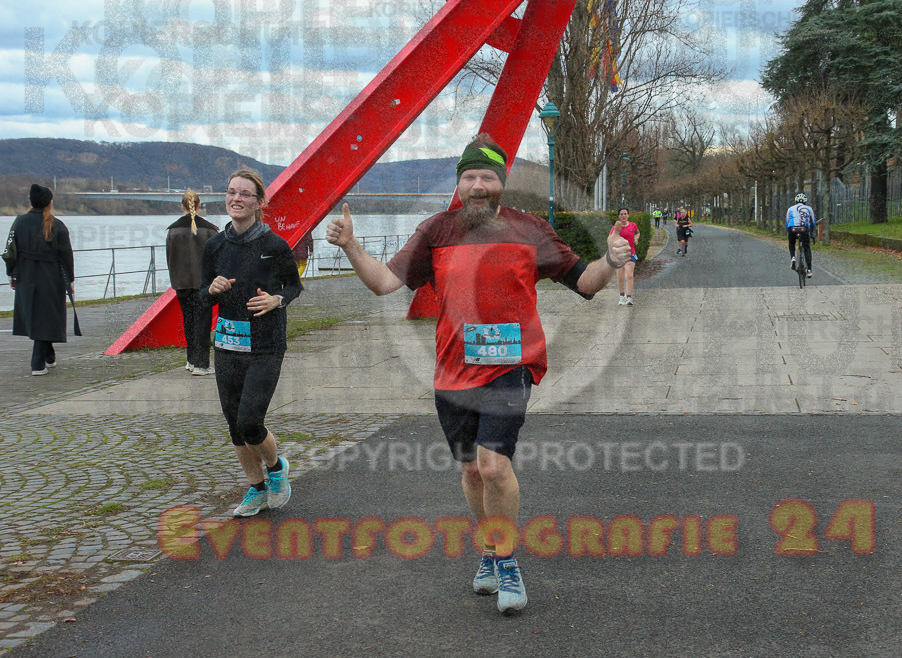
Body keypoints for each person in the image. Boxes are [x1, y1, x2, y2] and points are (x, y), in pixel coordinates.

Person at [326, 134, 631, 615]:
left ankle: (507, 562)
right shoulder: (436, 230)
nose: (478, 185)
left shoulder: (529, 231)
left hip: (512, 365)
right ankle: (490, 550)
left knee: (493, 466)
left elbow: (585, 282)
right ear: (460, 184)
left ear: (501, 184)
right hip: (452, 371)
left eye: (488, 176)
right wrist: (351, 246)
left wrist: (611, 262)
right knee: (471, 471)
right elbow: (385, 283)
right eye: (470, 176)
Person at [200, 169, 303, 518]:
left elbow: (294, 288)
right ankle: (257, 489)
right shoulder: (214, 245)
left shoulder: (274, 246)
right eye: (231, 192)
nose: (236, 199)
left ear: (260, 203)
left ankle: (276, 468)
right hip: (228, 345)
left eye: (245, 194)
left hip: (266, 345)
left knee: (249, 421)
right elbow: (201, 295)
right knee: (234, 425)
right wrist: (211, 291)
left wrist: (277, 300)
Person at [6, 184, 75, 375]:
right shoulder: (57, 225)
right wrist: (69, 279)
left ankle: (49, 355)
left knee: (37, 316)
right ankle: (37, 363)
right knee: (48, 316)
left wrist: (12, 274)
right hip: (51, 277)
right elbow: (66, 254)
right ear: (49, 202)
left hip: (25, 276)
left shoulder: (19, 222)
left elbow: (9, 251)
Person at [166, 190, 219, 375]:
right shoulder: (211, 230)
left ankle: (190, 360)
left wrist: (175, 278)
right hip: (204, 284)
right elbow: (216, 259)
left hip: (181, 283)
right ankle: (201, 364)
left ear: (182, 206)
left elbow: (169, 258)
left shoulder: (173, 231)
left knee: (188, 321)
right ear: (199, 205)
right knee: (203, 323)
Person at [611, 207, 639, 306]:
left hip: (630, 252)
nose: (623, 216)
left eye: (625, 214)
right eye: (621, 214)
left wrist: (636, 239)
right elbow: (611, 238)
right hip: (619, 254)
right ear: (619, 216)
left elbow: (637, 232)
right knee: (620, 276)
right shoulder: (616, 227)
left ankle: (629, 297)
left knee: (629, 275)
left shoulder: (632, 225)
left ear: (628, 215)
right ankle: (622, 297)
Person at [785, 193, 817, 278]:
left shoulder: (790, 208)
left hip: (792, 228)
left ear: (795, 201)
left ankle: (793, 257)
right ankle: (809, 270)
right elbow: (813, 222)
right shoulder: (809, 208)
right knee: (807, 248)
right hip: (804, 229)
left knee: (791, 243)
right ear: (805, 202)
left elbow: (787, 222)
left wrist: (788, 232)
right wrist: (812, 233)